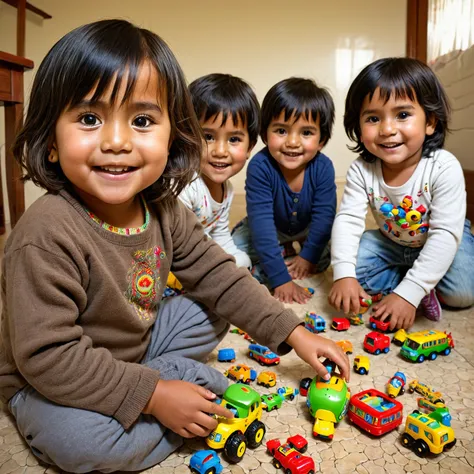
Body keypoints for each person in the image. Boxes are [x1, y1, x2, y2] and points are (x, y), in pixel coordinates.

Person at [0, 20, 349, 473]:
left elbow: (220, 276)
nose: (117, 141)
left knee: (217, 300)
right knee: (77, 444)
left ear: (172, 136)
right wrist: (156, 396)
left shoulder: (163, 208)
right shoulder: (44, 234)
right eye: (90, 119)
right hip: (47, 380)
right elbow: (48, 357)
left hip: (136, 345)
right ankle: (171, 392)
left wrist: (294, 333)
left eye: (142, 120)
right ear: (50, 140)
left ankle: (159, 378)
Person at [329, 57, 474, 330]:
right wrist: (343, 275)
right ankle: (414, 281)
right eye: (373, 118)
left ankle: (415, 284)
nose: (387, 129)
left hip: (442, 236)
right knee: (348, 270)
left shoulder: (444, 167)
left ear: (430, 121)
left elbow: (445, 235)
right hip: (392, 242)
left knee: (462, 293)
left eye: (403, 115)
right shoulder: (362, 169)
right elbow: (348, 220)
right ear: (358, 128)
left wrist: (409, 294)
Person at [232, 78, 337, 304]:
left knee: (325, 255)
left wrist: (307, 258)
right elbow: (262, 226)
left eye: (306, 132)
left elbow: (324, 219)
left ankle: (290, 253)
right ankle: (281, 254)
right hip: (270, 228)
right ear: (264, 133)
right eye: (281, 130)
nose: (292, 142)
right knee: (236, 254)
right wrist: (280, 279)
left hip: (306, 229)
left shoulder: (324, 167)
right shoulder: (260, 166)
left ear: (322, 140)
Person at [179, 73, 259, 269]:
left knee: (246, 262)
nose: (220, 151)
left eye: (234, 140)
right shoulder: (185, 185)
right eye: (208, 136)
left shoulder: (227, 189)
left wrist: (237, 259)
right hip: (177, 257)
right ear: (187, 136)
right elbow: (184, 244)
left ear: (250, 148)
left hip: (202, 253)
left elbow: (220, 234)